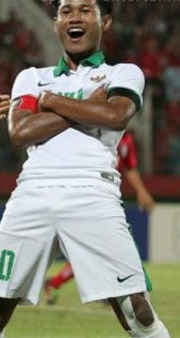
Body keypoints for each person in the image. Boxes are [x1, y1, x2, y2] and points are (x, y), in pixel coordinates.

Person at [0, 0, 171, 338]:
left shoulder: (124, 73)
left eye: (85, 10)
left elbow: (116, 116)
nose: (74, 17)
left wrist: (53, 102)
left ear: (105, 22)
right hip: (31, 194)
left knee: (136, 311)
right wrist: (91, 105)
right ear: (54, 23)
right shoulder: (31, 77)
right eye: (65, 11)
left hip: (93, 191)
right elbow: (20, 132)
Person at [43, 130, 156, 305]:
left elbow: (130, 168)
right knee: (96, 248)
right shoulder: (90, 129)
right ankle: (106, 291)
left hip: (107, 198)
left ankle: (58, 283)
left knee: (97, 249)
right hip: (84, 196)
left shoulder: (126, 140)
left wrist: (142, 191)